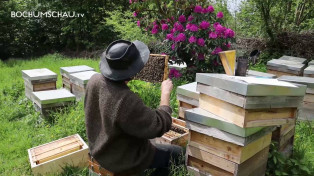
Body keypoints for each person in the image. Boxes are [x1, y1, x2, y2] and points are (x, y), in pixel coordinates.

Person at [84, 39, 183, 176]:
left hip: (100, 151)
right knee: (178, 154)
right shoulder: (125, 100)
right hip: (124, 160)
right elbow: (159, 126)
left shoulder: (94, 80)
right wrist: (165, 96)